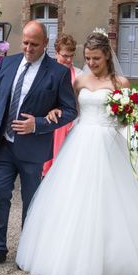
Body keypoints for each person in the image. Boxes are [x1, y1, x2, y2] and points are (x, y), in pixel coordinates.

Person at [15, 32, 138, 275]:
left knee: (115, 197)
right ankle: (71, 255)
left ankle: (118, 256)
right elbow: (70, 109)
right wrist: (55, 110)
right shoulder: (79, 81)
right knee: (75, 198)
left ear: (107, 57)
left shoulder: (120, 82)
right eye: (88, 58)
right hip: (80, 142)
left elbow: (128, 118)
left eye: (96, 58)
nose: (91, 63)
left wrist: (126, 116)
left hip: (109, 142)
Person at [0, 21, 78, 270]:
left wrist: (39, 124)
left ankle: (30, 249)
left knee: (31, 200)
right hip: (2, 145)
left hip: (32, 150)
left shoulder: (58, 73)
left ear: (45, 44)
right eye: (25, 42)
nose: (28, 48)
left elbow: (70, 111)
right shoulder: (9, 64)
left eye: (34, 44)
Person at [42, 34, 83, 176]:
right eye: (65, 56)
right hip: (47, 121)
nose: (69, 60)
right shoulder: (45, 71)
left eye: (72, 56)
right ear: (56, 53)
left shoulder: (78, 75)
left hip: (70, 122)